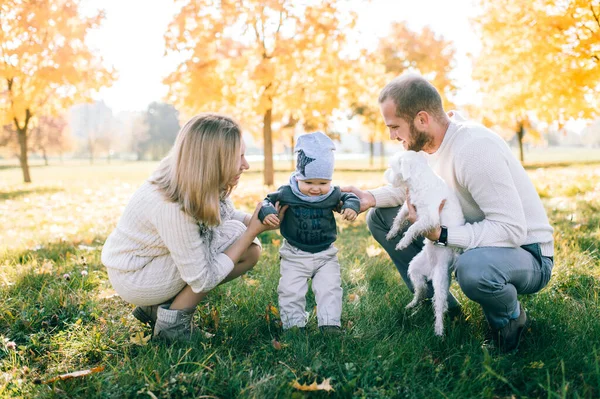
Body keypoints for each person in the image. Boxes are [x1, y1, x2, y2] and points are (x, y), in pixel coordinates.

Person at [342, 74, 554, 352]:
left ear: (421, 119)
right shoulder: (429, 143)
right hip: (477, 240)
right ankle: (446, 313)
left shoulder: (474, 149)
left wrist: (442, 235)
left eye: (395, 127)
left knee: (473, 269)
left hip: (527, 252)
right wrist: (370, 197)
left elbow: (511, 229)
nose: (392, 136)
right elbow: (424, 187)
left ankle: (509, 321)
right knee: (380, 217)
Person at [101, 113, 286, 342]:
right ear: (214, 160)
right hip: (136, 277)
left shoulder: (193, 176)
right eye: (238, 157)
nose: (245, 165)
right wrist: (250, 232)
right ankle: (172, 328)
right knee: (242, 241)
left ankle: (160, 308)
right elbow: (202, 279)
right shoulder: (172, 205)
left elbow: (227, 215)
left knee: (249, 247)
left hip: (149, 262)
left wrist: (262, 221)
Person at [258, 132, 360, 332]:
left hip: (325, 254)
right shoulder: (287, 192)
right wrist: (268, 211)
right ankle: (294, 326)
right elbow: (266, 201)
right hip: (295, 255)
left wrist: (351, 207)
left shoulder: (331, 194)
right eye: (309, 182)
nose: (316, 189)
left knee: (330, 288)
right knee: (290, 290)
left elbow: (350, 197)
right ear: (298, 177)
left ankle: (330, 324)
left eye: (323, 183)